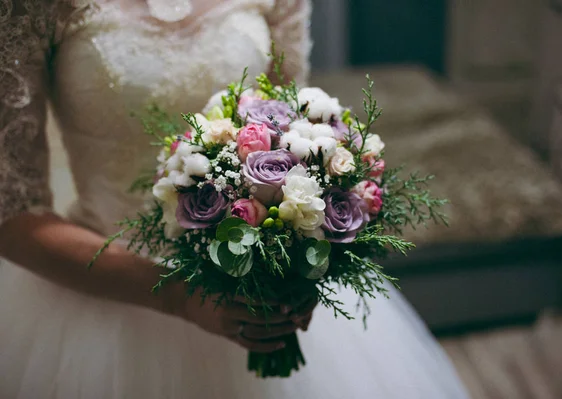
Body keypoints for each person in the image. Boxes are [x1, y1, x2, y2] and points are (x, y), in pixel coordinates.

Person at [0, 0, 470, 397]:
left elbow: (296, 131)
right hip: (102, 294)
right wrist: (178, 298)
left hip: (251, 288)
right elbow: (12, 214)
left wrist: (297, 271)